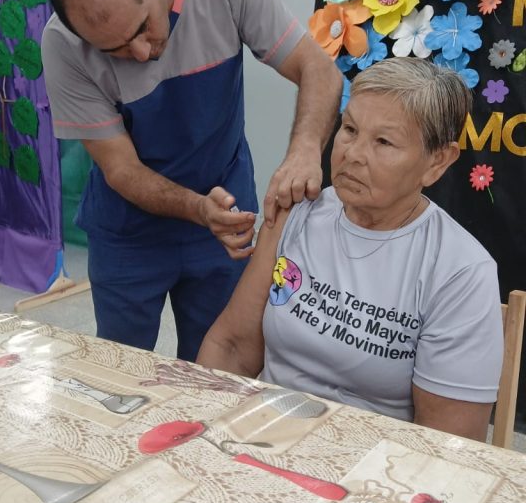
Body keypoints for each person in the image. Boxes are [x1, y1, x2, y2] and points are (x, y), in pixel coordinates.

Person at [42, 0, 341, 360]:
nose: (141, 53)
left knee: (216, 364)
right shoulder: (63, 45)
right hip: (129, 231)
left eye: (142, 27)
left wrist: (305, 149)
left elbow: (318, 68)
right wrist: (199, 208)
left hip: (226, 220)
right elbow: (122, 169)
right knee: (121, 365)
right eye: (115, 50)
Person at [197, 57, 504, 441]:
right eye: (349, 129)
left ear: (437, 162)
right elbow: (232, 348)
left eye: (383, 142)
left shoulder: (460, 271)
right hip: (263, 437)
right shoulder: (296, 213)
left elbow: (444, 443)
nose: (353, 154)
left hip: (373, 463)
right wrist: (200, 432)